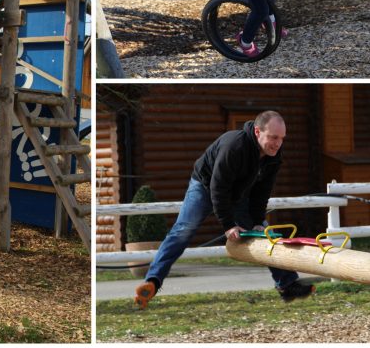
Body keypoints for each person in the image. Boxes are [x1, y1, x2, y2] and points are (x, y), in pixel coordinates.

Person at [134, 111, 314, 309]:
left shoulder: (273, 156)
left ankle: (287, 285)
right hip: (204, 186)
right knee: (183, 231)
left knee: (265, 232)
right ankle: (152, 281)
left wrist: (256, 220)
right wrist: (229, 225)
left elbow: (261, 194)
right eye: (273, 137)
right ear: (257, 132)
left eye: (281, 138)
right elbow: (218, 188)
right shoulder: (234, 147)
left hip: (238, 192)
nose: (278, 143)